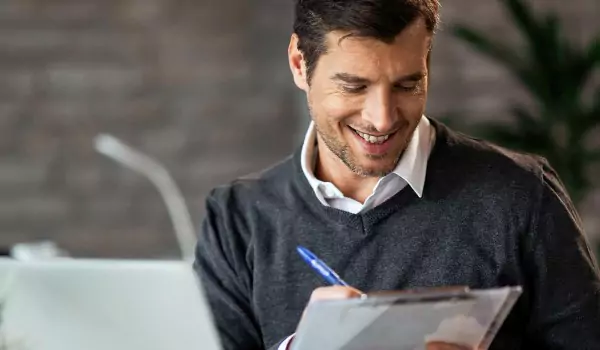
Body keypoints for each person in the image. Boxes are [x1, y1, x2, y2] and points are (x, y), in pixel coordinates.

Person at [194, 0, 600, 349]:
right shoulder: (238, 217)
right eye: (354, 87)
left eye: (408, 85)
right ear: (300, 64)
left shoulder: (522, 195)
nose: (382, 118)